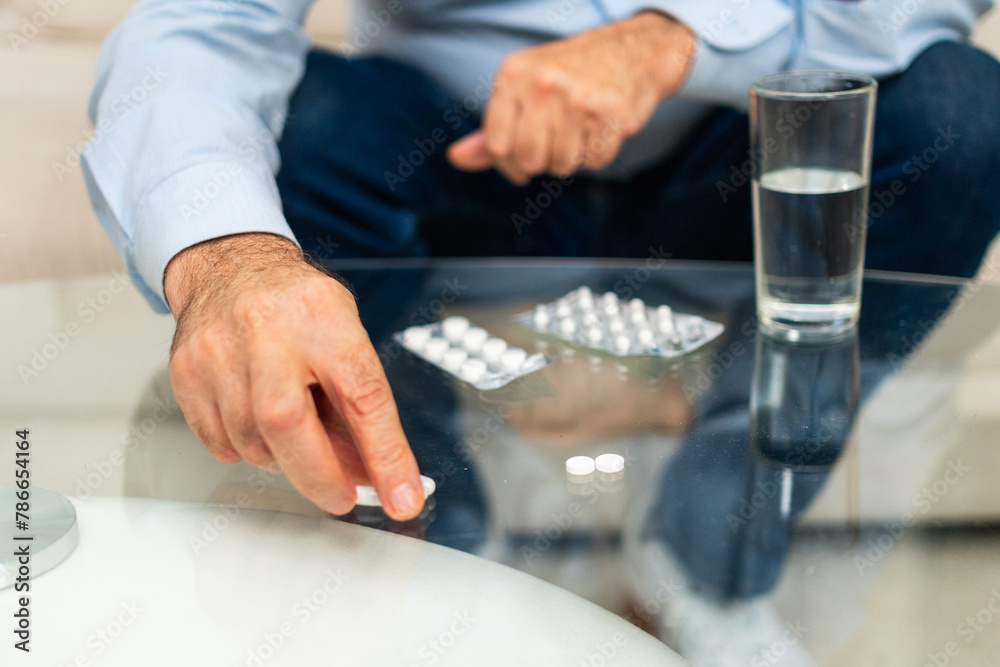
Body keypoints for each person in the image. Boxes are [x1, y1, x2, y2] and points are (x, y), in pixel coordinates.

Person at [82, 0, 1000, 521]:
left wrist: (674, 37)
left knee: (963, 110)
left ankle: (716, 541)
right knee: (311, 131)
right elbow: (200, 23)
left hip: (735, 165)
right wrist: (228, 260)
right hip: (457, 163)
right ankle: (434, 531)